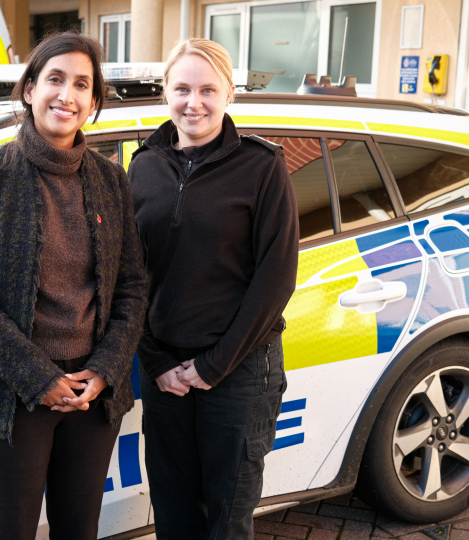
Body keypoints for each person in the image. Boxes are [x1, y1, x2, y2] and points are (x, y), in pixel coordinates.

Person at [0, 32, 147, 540]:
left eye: (82, 84)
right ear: (30, 88)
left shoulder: (110, 179)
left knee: (79, 529)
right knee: (12, 530)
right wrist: (40, 379)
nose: (67, 95)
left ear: (94, 102)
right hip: (11, 393)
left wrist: (102, 371)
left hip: (92, 394)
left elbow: (132, 287)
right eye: (55, 79)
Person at [128, 38, 299, 539]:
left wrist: (212, 366)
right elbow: (129, 275)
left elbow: (275, 276)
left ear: (229, 95)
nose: (194, 102)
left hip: (239, 371)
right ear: (165, 93)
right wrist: (156, 363)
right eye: (181, 88)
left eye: (208, 89)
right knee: (174, 513)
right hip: (165, 372)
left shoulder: (262, 165)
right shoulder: (143, 166)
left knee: (226, 518)